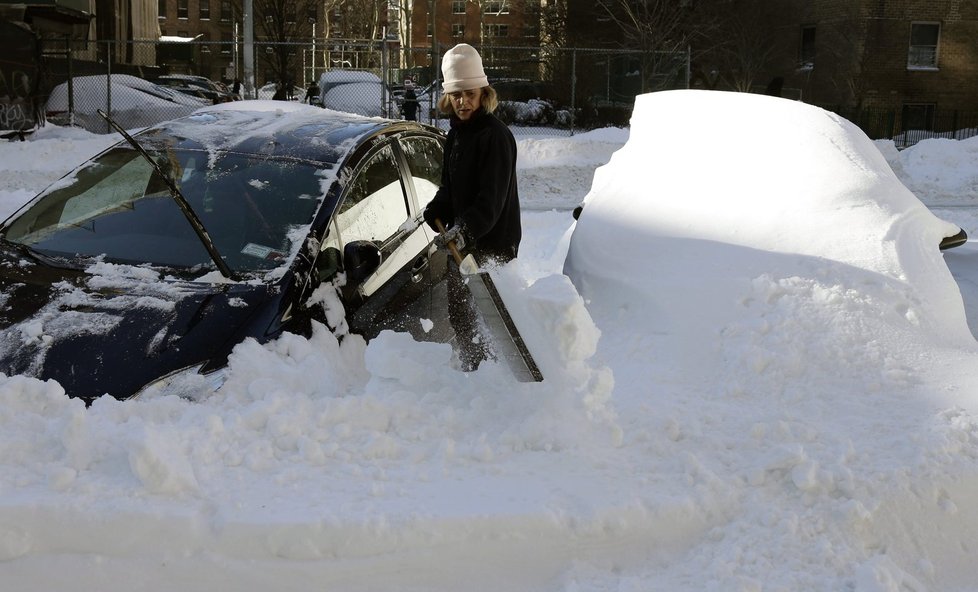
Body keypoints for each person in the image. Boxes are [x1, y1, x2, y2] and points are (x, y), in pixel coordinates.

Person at [422, 43, 521, 371]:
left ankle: (498, 379)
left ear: (484, 92)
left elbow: (489, 203)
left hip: (492, 248)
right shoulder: (456, 135)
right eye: (455, 95)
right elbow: (452, 189)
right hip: (462, 245)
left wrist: (461, 231)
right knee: (462, 315)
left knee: (490, 322)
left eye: (469, 93)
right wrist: (436, 208)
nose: (462, 102)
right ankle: (472, 373)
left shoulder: (495, 137)